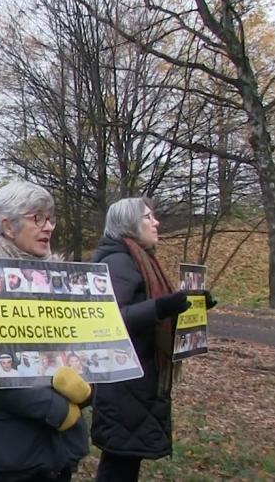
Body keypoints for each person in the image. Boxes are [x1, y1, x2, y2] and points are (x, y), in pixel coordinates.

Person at [0, 180, 91, 481]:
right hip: (10, 452)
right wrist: (57, 410)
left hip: (60, 450)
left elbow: (83, 349)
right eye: (37, 218)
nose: (49, 226)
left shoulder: (58, 280)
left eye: (50, 218)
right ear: (8, 226)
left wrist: (90, 384)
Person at [90, 198, 216, 481]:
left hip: (138, 381)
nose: (156, 222)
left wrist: (192, 306)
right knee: (118, 464)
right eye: (148, 217)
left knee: (125, 462)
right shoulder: (118, 261)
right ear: (130, 224)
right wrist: (163, 307)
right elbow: (110, 319)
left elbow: (152, 311)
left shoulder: (140, 258)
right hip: (123, 383)